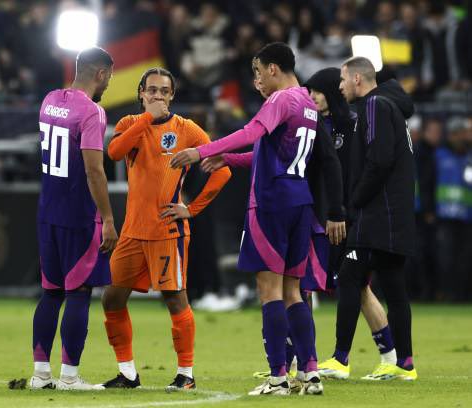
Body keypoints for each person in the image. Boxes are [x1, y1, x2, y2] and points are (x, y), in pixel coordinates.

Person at [172, 42, 323, 396]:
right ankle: (311, 373)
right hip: (300, 201)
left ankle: (277, 378)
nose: (255, 81)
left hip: (270, 203)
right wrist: (230, 160)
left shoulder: (280, 100)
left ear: (273, 68)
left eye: (257, 72)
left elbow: (251, 133)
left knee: (268, 290)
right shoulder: (308, 104)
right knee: (292, 292)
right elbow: (270, 152)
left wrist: (204, 150)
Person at [100, 67, 231, 390]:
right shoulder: (130, 124)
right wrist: (147, 118)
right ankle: (127, 373)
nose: (158, 96)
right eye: (152, 90)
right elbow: (114, 153)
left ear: (172, 95)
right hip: (132, 233)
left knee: (175, 299)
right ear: (141, 93)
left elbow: (222, 170)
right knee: (112, 299)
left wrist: (192, 209)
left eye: (164, 91)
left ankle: (186, 374)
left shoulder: (185, 129)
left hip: (166, 232)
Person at [29, 47, 117, 391]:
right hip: (78, 214)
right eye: (109, 75)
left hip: (47, 211)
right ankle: (69, 376)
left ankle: (40, 375)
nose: (110, 81)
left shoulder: (49, 99)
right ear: (100, 74)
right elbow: (95, 170)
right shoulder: (92, 112)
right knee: (79, 293)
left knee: (50, 293)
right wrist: (108, 218)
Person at [305, 68, 401, 380]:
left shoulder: (355, 123)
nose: (311, 97)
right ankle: (300, 361)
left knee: (355, 285)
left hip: (348, 218)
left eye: (316, 91)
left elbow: (359, 173)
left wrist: (345, 212)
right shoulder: (318, 124)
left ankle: (368, 358)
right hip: (323, 216)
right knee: (347, 286)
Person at [330, 56, 417, 381]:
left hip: (379, 214)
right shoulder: (390, 105)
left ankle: (340, 359)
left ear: (356, 79)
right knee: (394, 288)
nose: (340, 87)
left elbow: (379, 161)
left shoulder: (375, 105)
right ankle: (404, 364)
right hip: (396, 214)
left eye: (342, 79)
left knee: (350, 276)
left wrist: (355, 200)